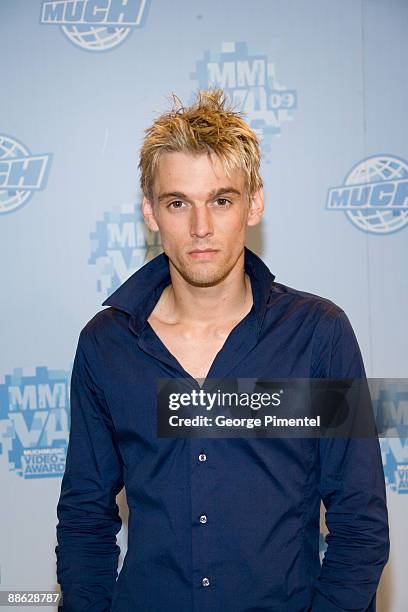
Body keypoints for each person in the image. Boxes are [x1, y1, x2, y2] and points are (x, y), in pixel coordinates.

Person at [55, 89, 389, 611]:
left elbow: (359, 525)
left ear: (254, 203)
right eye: (177, 202)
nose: (201, 227)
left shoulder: (317, 335)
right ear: (150, 212)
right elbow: (84, 520)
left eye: (221, 199)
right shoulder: (106, 345)